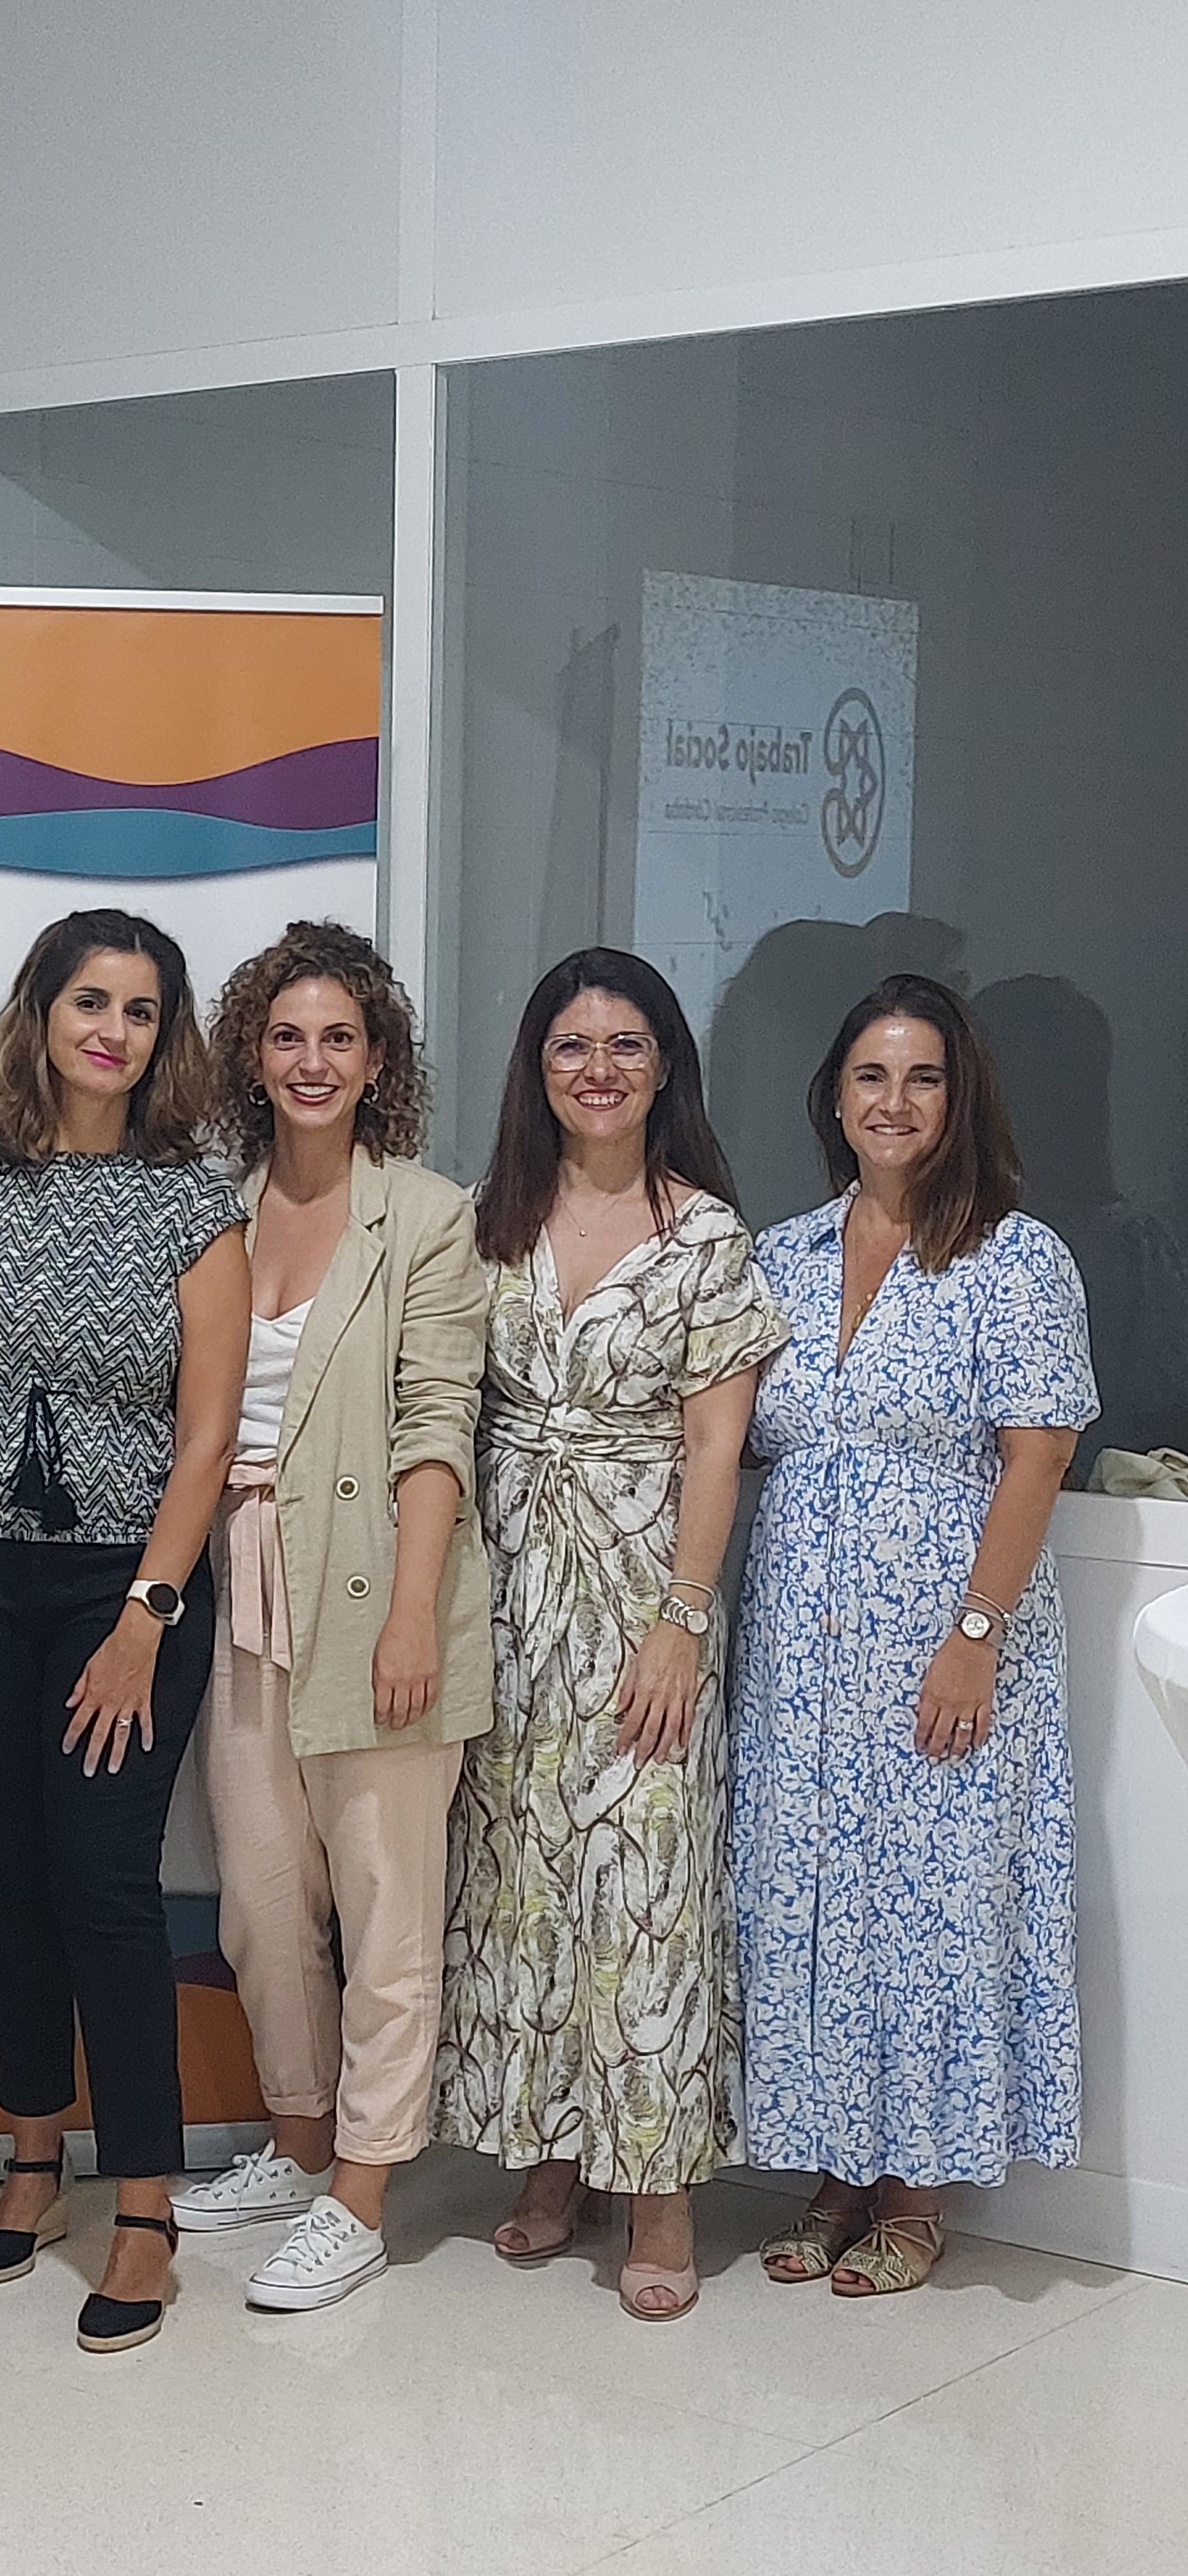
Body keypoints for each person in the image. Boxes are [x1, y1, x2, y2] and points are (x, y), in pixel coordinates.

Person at [0, 909, 248, 2355]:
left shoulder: (193, 1197)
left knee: (107, 1886)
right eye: (90, 1001)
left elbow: (208, 1432)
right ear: (39, 1012)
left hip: (125, 1586)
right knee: (8, 1873)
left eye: (142, 1010)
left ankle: (145, 2204)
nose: (113, 1031)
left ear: (168, 1038)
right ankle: (33, 2157)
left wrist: (145, 1618)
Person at [433, 948, 784, 2318]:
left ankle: (659, 2195)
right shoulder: (487, 1222)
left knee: (644, 1894)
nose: (598, 1069)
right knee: (520, 1887)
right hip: (507, 1597)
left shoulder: (707, 1238)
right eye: (572, 1046)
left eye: (626, 1045)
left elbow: (716, 1446)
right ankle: (551, 2158)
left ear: (664, 1068)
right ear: (537, 1069)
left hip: (645, 1597)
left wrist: (683, 1619)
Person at [733, 973, 1094, 2292]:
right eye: (871, 1075)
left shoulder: (1014, 1255)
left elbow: (1039, 1456)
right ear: (834, 1096)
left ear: (959, 1098)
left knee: (931, 1908)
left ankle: (917, 2189)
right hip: (798, 1653)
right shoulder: (782, 1255)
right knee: (816, 1904)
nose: (894, 1101)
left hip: (944, 1641)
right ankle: (835, 2169)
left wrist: (975, 1634)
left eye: (923, 1078)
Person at [178, 921, 491, 2312]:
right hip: (242, 1578)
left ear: (378, 1063)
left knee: (387, 1907)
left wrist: (412, 1614)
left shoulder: (424, 1214)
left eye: (341, 1039)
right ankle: (299, 2140)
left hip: (378, 1583)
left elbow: (437, 1424)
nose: (313, 1061)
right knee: (261, 1898)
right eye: (288, 1036)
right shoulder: (220, 1208)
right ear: (253, 1057)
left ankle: (361, 2193)